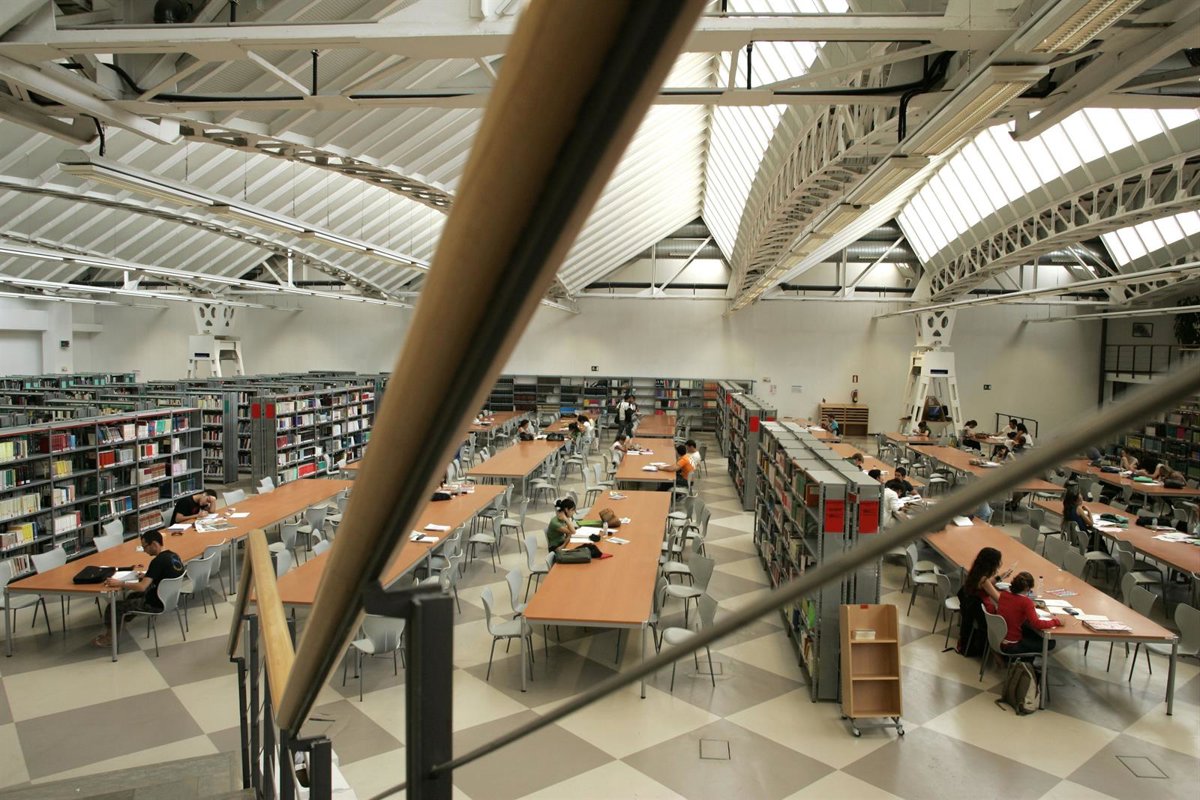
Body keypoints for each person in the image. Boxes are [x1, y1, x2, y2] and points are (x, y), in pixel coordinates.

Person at [92, 529, 185, 648]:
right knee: (132, 596)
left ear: (154, 544)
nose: (144, 551)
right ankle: (119, 624)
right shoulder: (173, 555)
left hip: (155, 603)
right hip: (170, 599)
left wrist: (120, 583)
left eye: (145, 547)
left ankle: (110, 638)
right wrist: (147, 576)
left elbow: (142, 587)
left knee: (114, 607)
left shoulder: (157, 561)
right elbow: (163, 575)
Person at [996, 571, 1061, 655]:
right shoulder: (1026, 602)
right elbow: (1037, 624)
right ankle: (1026, 660)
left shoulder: (1004, 594)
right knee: (1051, 643)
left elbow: (1014, 610)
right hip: (1012, 644)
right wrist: (1056, 622)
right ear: (1027, 588)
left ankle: (1026, 660)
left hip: (1000, 638)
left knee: (1029, 629)